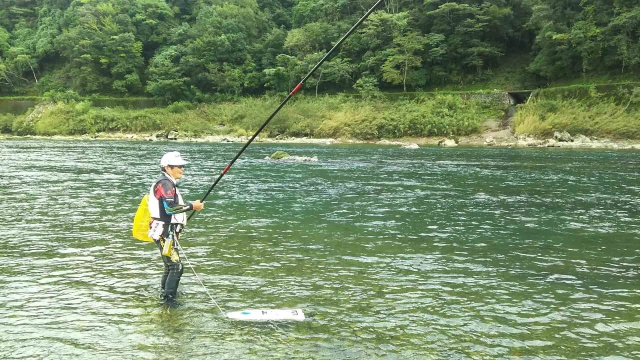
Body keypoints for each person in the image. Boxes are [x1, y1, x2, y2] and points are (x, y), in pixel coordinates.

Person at [147, 151, 204, 305]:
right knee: (176, 266)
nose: (182, 168)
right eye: (178, 166)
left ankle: (165, 294)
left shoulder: (166, 182)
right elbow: (170, 208)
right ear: (167, 168)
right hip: (163, 232)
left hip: (165, 231)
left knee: (169, 265)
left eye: (182, 166)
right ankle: (169, 302)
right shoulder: (165, 183)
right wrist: (193, 206)